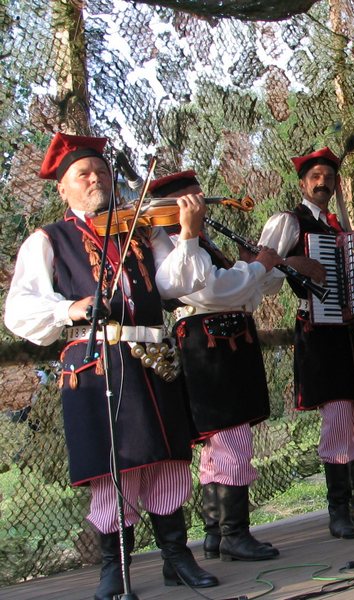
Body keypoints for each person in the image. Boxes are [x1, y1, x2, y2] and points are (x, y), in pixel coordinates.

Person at [3, 133, 219, 599]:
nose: (95, 179)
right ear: (63, 188)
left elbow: (177, 284)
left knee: (168, 460)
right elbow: (18, 311)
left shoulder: (142, 228)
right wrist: (68, 309)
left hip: (154, 358)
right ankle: (114, 568)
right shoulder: (48, 240)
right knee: (112, 468)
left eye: (101, 171)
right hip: (98, 364)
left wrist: (188, 234)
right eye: (83, 174)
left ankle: (176, 557)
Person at [258, 147, 354, 539]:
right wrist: (291, 264)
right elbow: (262, 276)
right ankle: (337, 510)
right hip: (320, 330)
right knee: (337, 416)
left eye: (329, 178)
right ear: (303, 183)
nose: (322, 183)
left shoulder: (341, 229)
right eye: (315, 177)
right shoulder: (288, 222)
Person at [150, 171, 283, 561]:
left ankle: (216, 533)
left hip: (227, 345)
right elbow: (211, 291)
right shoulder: (167, 242)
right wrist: (256, 268)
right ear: (175, 205)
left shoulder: (201, 242)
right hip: (207, 349)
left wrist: (249, 268)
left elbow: (241, 296)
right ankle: (234, 534)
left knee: (222, 444)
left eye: (201, 199)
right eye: (193, 200)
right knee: (231, 441)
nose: (202, 206)